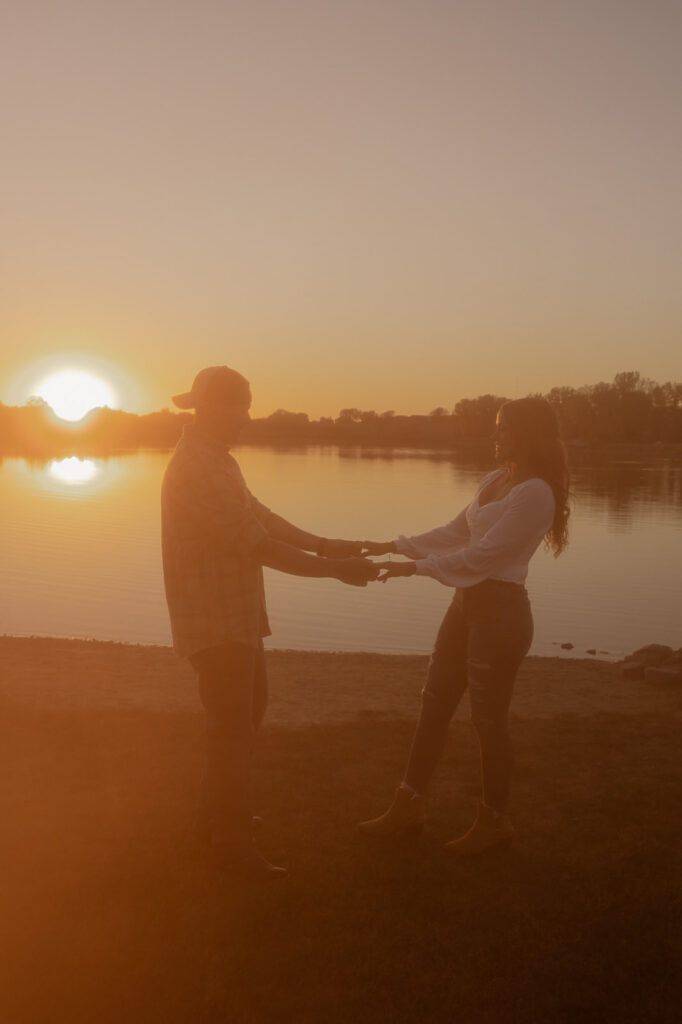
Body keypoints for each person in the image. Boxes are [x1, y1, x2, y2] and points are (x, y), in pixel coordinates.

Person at [161, 366, 376, 880]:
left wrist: (325, 545)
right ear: (212, 408)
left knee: (247, 711)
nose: (248, 417)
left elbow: (262, 518)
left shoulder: (218, 460)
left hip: (236, 612)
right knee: (231, 728)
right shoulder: (197, 467)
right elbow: (258, 544)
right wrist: (333, 570)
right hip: (213, 617)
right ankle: (232, 846)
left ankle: (212, 820)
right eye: (242, 406)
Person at [357, 397, 570, 855]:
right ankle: (407, 806)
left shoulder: (535, 493)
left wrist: (412, 570)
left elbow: (484, 556)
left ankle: (494, 823)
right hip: (466, 605)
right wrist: (392, 545)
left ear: (528, 434)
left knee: (488, 720)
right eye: (496, 428)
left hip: (501, 613)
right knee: (433, 703)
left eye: (504, 429)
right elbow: (456, 533)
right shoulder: (497, 479)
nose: (495, 436)